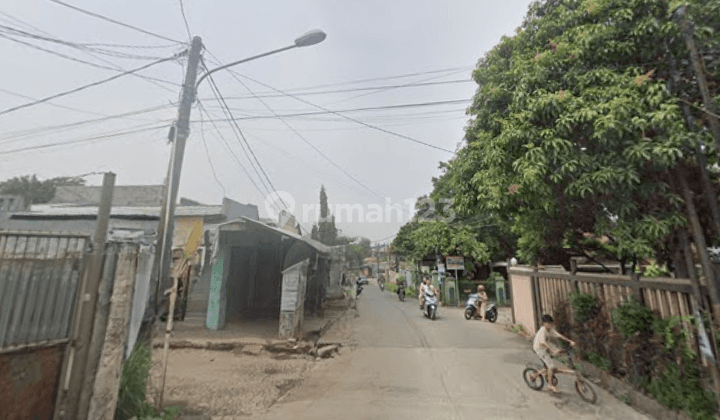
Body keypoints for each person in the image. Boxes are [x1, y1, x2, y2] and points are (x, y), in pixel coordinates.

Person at [533, 314, 576, 394]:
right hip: (540, 348)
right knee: (552, 367)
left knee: (554, 358)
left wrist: (570, 341)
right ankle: (549, 385)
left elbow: (560, 336)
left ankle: (546, 371)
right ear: (543, 323)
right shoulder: (542, 331)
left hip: (546, 347)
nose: (550, 325)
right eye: (548, 323)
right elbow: (543, 343)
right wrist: (552, 350)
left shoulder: (550, 330)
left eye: (551, 323)